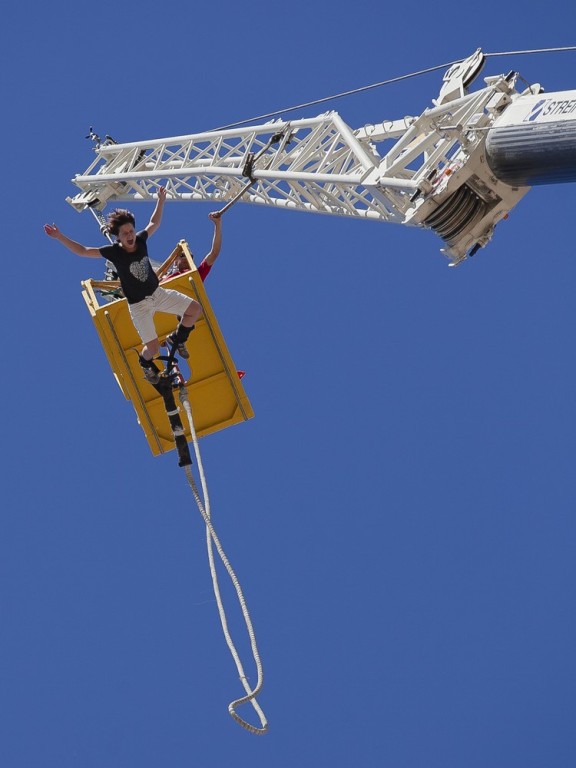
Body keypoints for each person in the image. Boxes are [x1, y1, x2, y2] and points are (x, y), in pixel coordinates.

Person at [44, 186, 202, 385]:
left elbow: (154, 222)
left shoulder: (141, 240)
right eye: (125, 233)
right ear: (118, 236)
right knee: (152, 349)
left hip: (157, 293)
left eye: (131, 231)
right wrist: (60, 237)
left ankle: (176, 339)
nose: (130, 236)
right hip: (139, 306)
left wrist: (161, 201)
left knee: (195, 309)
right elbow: (83, 251)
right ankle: (145, 364)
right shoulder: (114, 251)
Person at [161, 210, 222, 283]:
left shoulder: (196, 276)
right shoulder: (163, 279)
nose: (186, 257)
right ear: (175, 261)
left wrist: (217, 224)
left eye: (190, 256)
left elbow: (214, 253)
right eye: (182, 255)